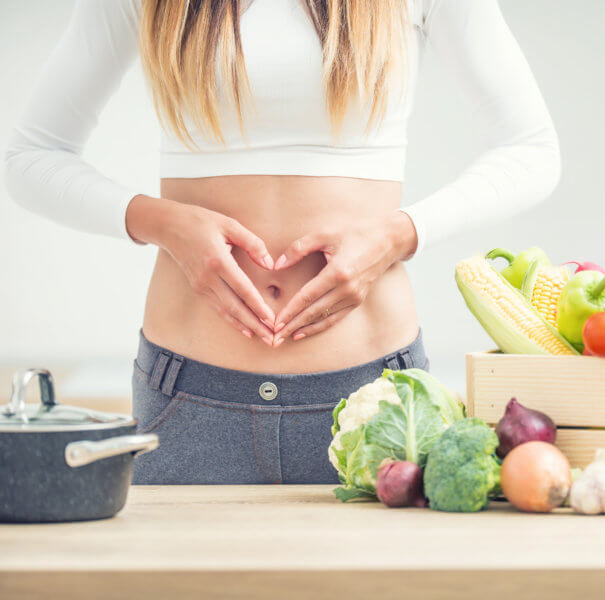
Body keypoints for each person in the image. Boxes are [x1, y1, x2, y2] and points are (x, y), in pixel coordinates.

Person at [3, 0, 560, 484]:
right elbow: (30, 158)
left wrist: (398, 234)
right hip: (187, 397)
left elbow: (532, 150)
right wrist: (163, 223)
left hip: (378, 397)